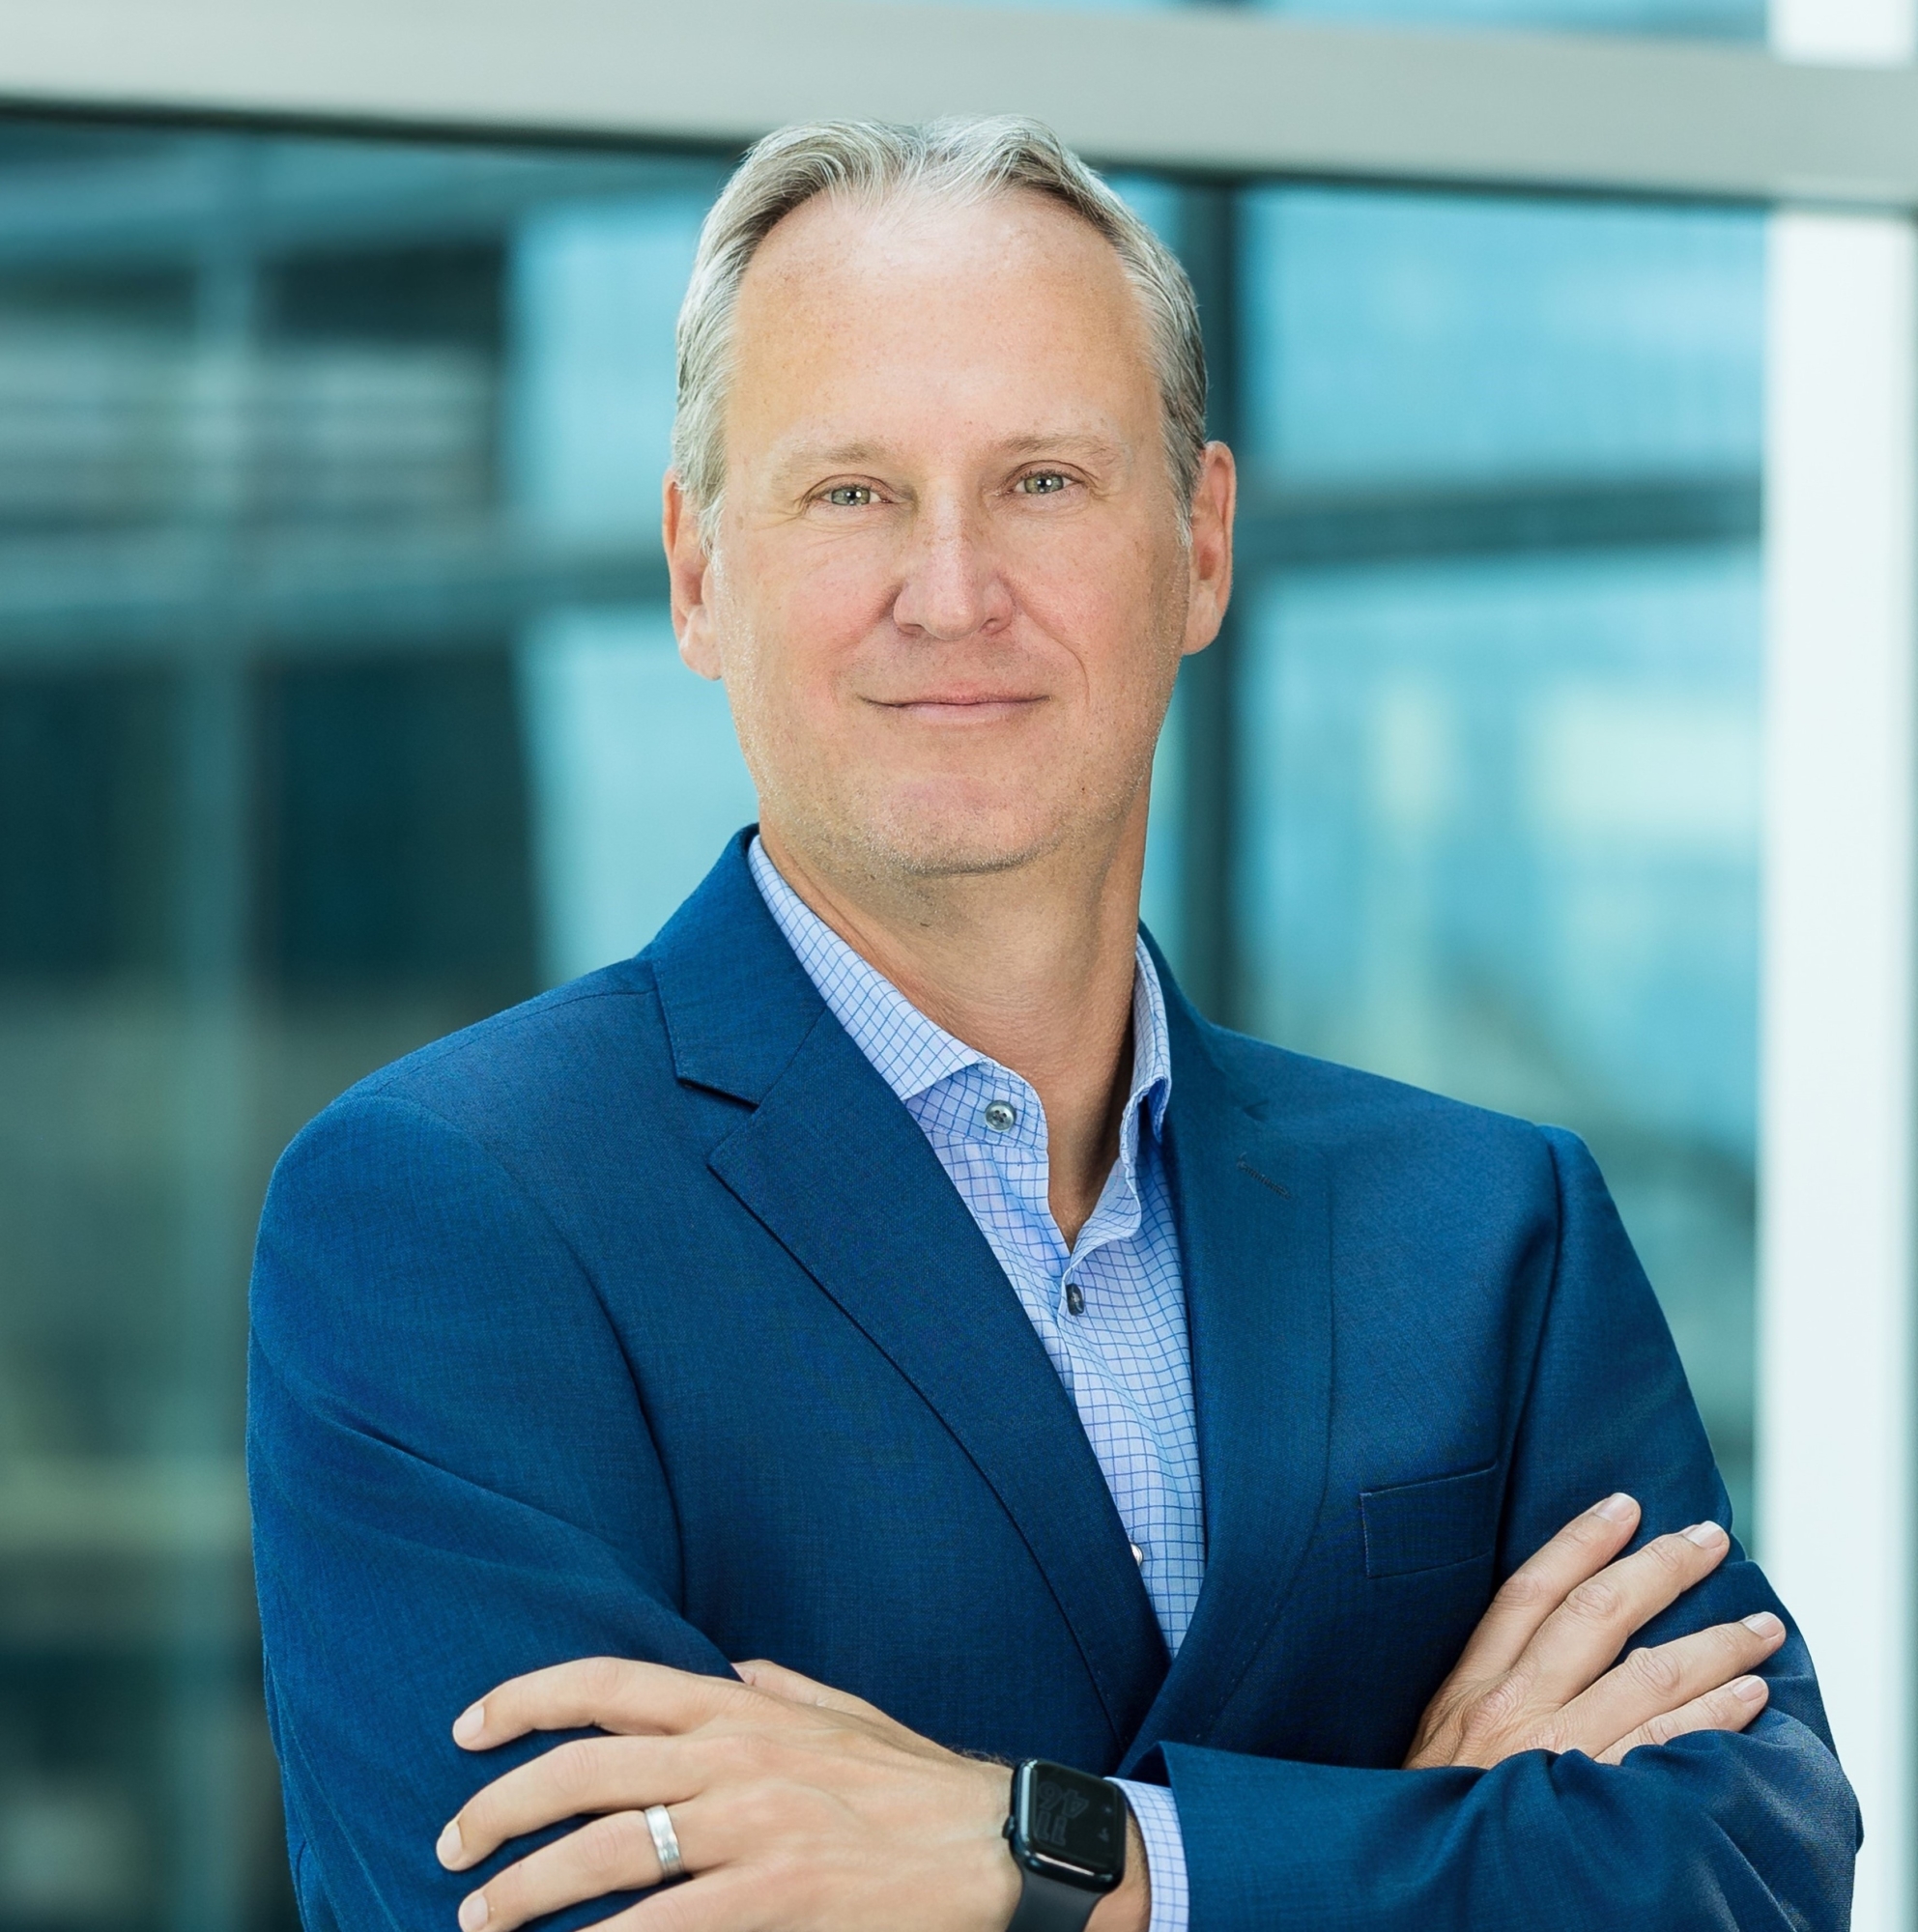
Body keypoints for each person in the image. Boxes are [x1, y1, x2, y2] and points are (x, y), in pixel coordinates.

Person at [247, 118, 1856, 1932]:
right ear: (700, 572)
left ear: (1201, 545)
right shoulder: (453, 1216)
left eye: (1043, 482)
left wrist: (1049, 1860)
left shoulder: (1489, 1233)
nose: (952, 590)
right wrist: (1419, 1838)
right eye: (850, 491)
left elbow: (1742, 1872)